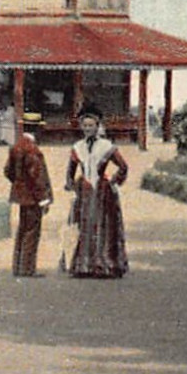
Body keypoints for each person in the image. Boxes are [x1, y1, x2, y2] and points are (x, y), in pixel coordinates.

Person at [63, 107, 129, 278]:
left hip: (102, 191)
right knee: (85, 224)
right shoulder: (78, 147)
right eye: (85, 126)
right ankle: (83, 265)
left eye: (91, 125)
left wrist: (113, 181)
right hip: (85, 190)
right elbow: (70, 171)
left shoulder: (106, 146)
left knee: (102, 224)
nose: (87, 129)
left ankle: (104, 263)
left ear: (97, 126)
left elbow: (123, 166)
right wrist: (72, 185)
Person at [3, 111, 53, 276]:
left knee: (22, 230)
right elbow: (37, 177)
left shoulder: (16, 147)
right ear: (37, 129)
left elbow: (8, 171)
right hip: (32, 197)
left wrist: (18, 184)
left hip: (21, 196)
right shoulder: (33, 150)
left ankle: (18, 266)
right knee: (32, 232)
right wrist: (44, 199)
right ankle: (27, 268)